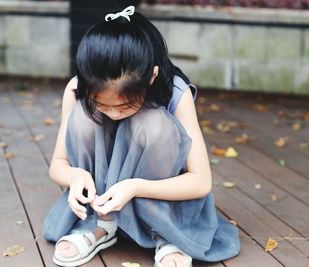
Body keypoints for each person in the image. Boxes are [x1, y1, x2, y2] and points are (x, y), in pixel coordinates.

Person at [43, 6, 240, 267]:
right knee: (83, 117)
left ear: (151, 76)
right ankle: (102, 225)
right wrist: (75, 176)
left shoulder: (174, 93)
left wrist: (136, 186)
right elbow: (58, 164)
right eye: (101, 104)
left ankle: (166, 234)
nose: (113, 113)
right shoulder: (78, 89)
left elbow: (201, 181)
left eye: (124, 106)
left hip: (160, 205)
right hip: (101, 205)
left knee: (152, 122)